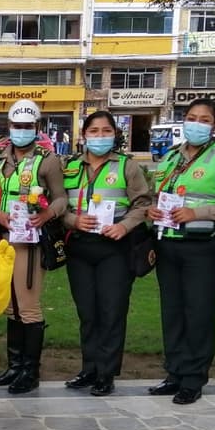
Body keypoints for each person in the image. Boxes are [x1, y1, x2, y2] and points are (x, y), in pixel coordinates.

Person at [146, 98, 215, 404]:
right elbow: (159, 195)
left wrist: (198, 213)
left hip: (202, 245)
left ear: (214, 125)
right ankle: (175, 372)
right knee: (172, 312)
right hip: (168, 244)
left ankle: (193, 377)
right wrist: (154, 210)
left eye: (204, 119)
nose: (196, 123)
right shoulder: (170, 158)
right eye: (191, 117)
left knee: (199, 312)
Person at [61, 110, 152, 396]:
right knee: (87, 312)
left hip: (114, 247)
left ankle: (106, 372)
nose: (99, 136)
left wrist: (124, 227)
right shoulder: (71, 167)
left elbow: (142, 204)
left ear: (115, 134)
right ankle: (89, 368)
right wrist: (72, 220)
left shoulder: (127, 167)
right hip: (79, 246)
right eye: (94, 131)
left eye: (105, 130)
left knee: (111, 311)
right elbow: (57, 204)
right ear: (84, 135)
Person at [0, 98, 67, 395]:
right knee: (10, 305)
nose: (22, 131)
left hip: (30, 240)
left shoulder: (46, 160)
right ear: (9, 127)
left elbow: (60, 198)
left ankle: (30, 372)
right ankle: (14, 366)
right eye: (17, 126)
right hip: (3, 236)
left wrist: (47, 214)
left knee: (28, 306)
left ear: (37, 128)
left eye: (28, 126)